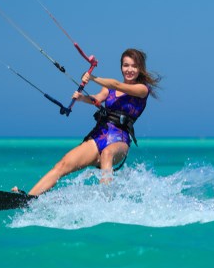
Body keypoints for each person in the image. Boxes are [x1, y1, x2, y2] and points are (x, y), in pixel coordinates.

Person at [12, 48, 161, 196]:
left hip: (119, 139)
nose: (129, 69)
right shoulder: (108, 89)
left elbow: (117, 85)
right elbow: (97, 98)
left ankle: (106, 201)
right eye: (126, 65)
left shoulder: (142, 89)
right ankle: (28, 198)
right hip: (100, 135)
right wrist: (82, 98)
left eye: (134, 66)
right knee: (62, 165)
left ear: (140, 68)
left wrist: (92, 77)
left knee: (107, 153)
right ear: (121, 67)